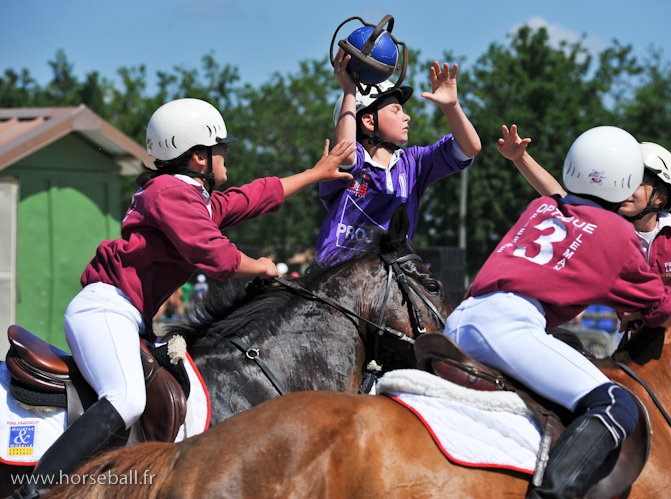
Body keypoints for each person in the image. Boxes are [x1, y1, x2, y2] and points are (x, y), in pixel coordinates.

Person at [10, 97, 355, 499]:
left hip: (124, 315)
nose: (226, 154)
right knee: (125, 400)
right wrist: (260, 266)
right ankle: (32, 492)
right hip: (104, 310)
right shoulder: (170, 193)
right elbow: (213, 254)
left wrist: (314, 175)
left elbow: (250, 198)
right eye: (221, 147)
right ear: (198, 157)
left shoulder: (190, 195)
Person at [444, 126, 671, 499]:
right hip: (509, 329)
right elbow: (665, 312)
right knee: (617, 405)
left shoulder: (541, 208)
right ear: (624, 182)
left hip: (460, 318)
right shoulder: (618, 234)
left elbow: (561, 201)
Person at [496, 124, 671, 293]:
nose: (624, 189)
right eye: (623, 180)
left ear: (661, 196)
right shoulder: (605, 226)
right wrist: (520, 158)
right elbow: (559, 195)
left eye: (635, 183)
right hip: (631, 336)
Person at [316, 49, 482, 263]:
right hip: (338, 271)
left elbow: (469, 148)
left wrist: (451, 107)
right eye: (396, 110)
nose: (407, 116)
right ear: (369, 121)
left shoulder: (413, 163)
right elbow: (345, 149)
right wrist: (350, 90)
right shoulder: (352, 159)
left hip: (390, 275)